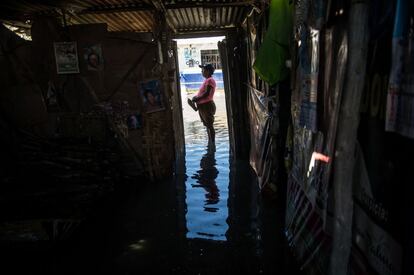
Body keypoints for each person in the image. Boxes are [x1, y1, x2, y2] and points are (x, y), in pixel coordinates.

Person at [192, 63, 217, 145]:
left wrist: (197, 98)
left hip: (207, 106)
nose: (202, 72)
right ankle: (210, 142)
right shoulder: (207, 80)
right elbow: (203, 93)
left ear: (208, 71)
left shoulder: (210, 80)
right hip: (203, 106)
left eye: (203, 70)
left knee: (209, 125)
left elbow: (207, 94)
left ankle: (212, 144)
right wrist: (196, 97)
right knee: (207, 125)